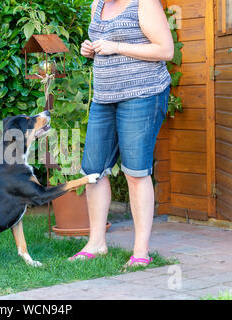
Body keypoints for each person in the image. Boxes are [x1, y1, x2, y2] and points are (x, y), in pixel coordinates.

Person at [70, 0, 173, 267]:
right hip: (105, 97)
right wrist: (90, 50)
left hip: (143, 94)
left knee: (136, 171)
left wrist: (116, 47)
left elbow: (165, 49)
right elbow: (103, 42)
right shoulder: (97, 4)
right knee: (93, 171)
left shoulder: (144, 3)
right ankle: (96, 243)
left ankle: (140, 252)